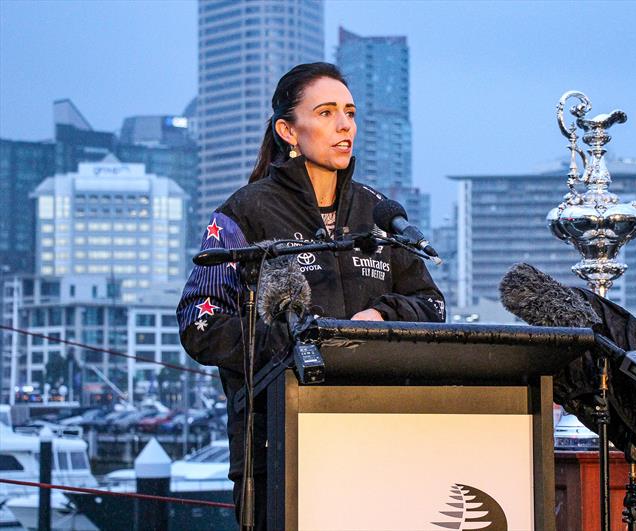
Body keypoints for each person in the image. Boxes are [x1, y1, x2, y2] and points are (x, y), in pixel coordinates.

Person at [176, 62, 445, 529]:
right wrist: (299, 340)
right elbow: (200, 326)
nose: (344, 125)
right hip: (277, 446)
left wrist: (380, 316)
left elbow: (432, 305)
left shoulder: (379, 213)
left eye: (350, 112)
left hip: (381, 438)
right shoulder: (243, 213)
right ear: (288, 130)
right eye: (325, 113)